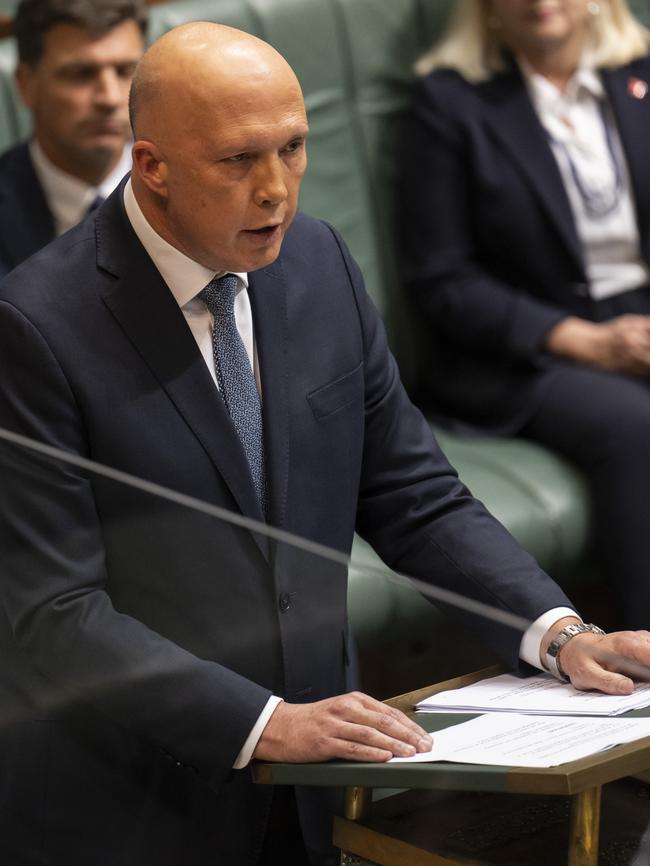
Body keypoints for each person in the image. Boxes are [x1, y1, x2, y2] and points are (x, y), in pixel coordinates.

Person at [0, 21, 649, 866]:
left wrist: (558, 634)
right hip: (141, 794)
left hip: (319, 770)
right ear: (152, 165)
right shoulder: (35, 326)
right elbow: (54, 616)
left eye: (295, 148)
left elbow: (413, 493)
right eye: (239, 161)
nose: (277, 190)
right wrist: (263, 722)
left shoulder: (316, 262)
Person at [399, 0, 650, 630]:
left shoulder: (639, 77)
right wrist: (585, 341)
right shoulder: (448, 102)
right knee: (632, 423)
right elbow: (443, 279)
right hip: (524, 350)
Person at [0, 0, 147, 278]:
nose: (110, 98)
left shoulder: (192, 189)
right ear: (25, 84)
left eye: (126, 71)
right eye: (81, 74)